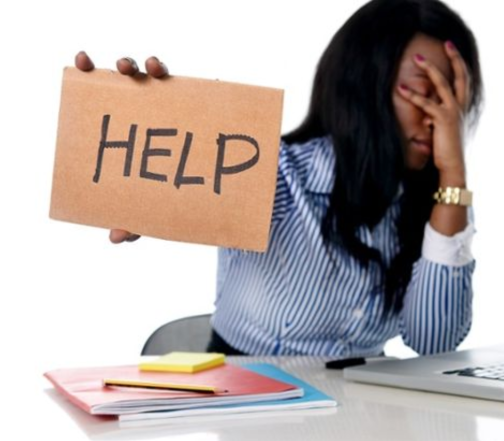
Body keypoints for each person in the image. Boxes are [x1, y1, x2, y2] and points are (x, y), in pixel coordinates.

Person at [76, 0, 483, 357]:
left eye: (452, 102)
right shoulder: (277, 174)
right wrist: (142, 134)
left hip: (362, 406)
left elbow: (434, 342)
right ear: (364, 87)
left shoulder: (443, 206)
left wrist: (454, 175)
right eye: (424, 94)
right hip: (250, 398)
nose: (441, 120)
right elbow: (192, 184)